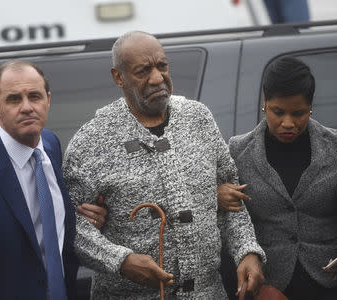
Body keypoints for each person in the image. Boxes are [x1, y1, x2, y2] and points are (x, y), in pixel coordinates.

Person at [62, 31, 266, 300]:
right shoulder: (91, 141)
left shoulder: (198, 118)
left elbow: (231, 197)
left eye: (162, 66)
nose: (157, 78)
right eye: (143, 71)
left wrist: (247, 251)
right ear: (118, 77)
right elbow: (69, 226)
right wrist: (121, 260)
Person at [222, 56, 337, 300]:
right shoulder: (238, 152)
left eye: (299, 113)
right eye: (278, 112)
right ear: (264, 102)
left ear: (310, 107)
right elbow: (225, 221)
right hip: (270, 290)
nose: (288, 123)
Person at [0, 60, 105, 300]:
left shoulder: (51, 145)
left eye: (35, 96)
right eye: (13, 99)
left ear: (48, 100)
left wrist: (82, 218)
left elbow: (51, 227)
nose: (27, 107)